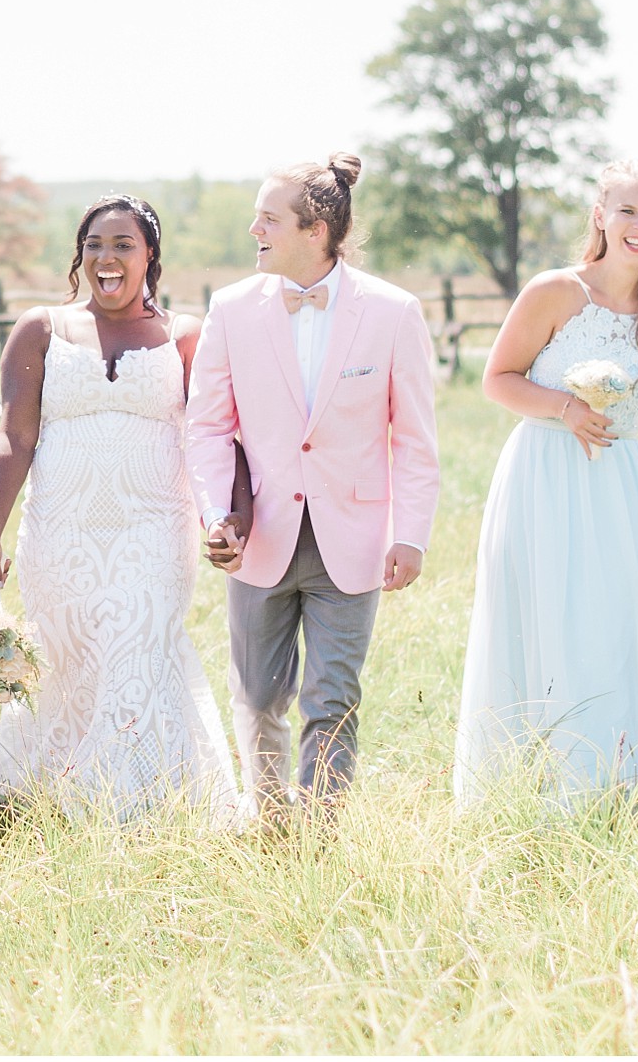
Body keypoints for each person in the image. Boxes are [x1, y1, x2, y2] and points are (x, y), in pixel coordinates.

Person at [186, 154, 440, 818]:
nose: (253, 229)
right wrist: (217, 511)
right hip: (258, 537)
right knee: (260, 693)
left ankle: (320, 831)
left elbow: (414, 438)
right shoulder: (232, 309)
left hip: (351, 540)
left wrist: (410, 535)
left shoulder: (393, 313)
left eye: (268, 218)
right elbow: (208, 427)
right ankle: (269, 820)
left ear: (316, 228)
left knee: (333, 696)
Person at [0, 194, 241, 822]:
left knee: (137, 654)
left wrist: (224, 515)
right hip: (59, 535)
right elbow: (15, 437)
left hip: (153, 534)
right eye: (95, 244)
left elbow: (217, 436)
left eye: (124, 245)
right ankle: (50, 800)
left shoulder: (186, 336)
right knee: (66, 663)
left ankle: (128, 809)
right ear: (79, 255)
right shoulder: (40, 329)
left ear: (150, 254)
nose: (107, 257)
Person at [454, 161, 638, 808]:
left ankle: (605, 791)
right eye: (626, 210)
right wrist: (565, 409)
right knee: (541, 622)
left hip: (619, 481)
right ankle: (525, 789)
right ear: (600, 214)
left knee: (612, 629)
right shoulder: (557, 291)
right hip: (546, 473)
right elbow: (498, 378)